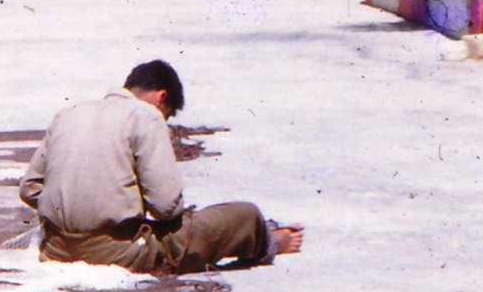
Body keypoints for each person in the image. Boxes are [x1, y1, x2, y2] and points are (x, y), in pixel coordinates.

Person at [19, 60, 303, 272]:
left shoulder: (69, 113)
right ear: (161, 97)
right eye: (167, 115)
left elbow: (29, 189)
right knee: (243, 214)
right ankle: (270, 243)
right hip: (116, 253)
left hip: (55, 248)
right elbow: (167, 207)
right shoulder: (146, 116)